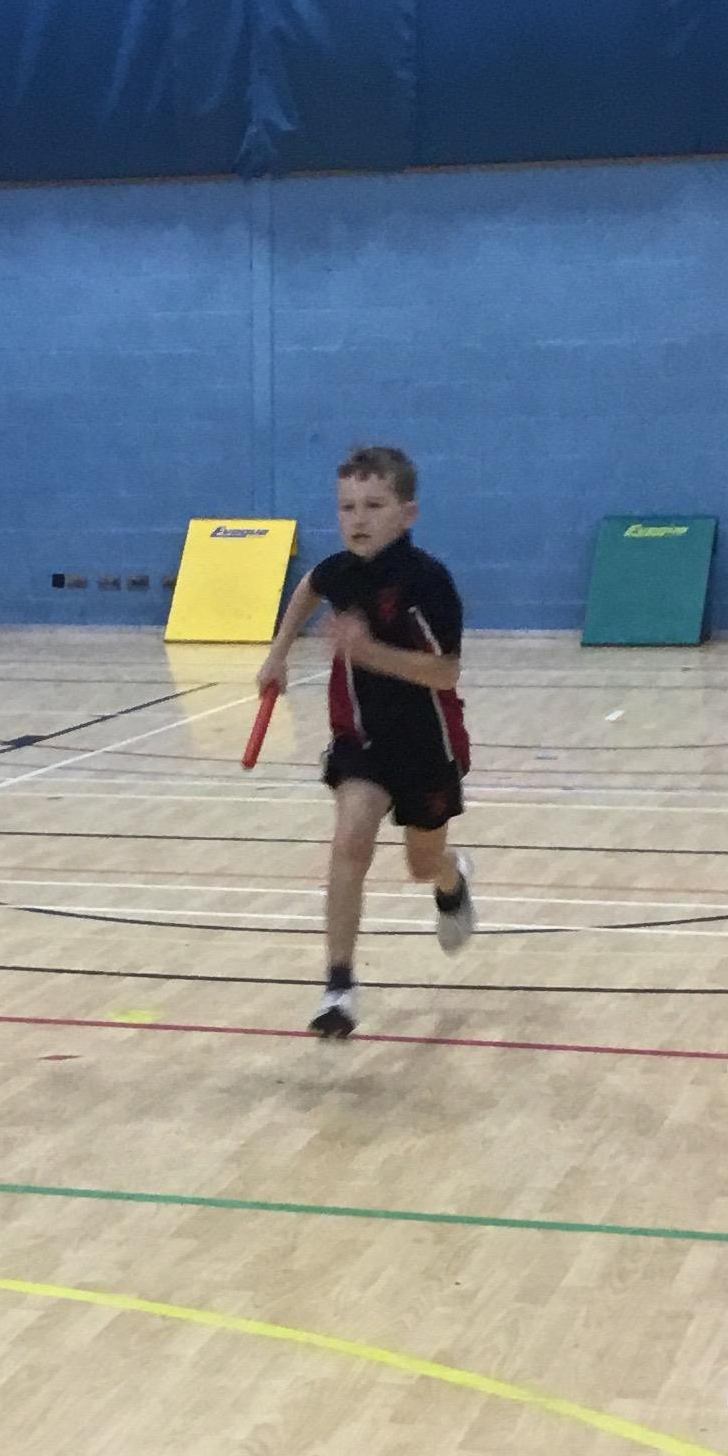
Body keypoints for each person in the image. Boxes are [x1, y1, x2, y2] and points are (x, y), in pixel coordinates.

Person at [254, 443, 478, 1040]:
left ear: (408, 514)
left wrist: (367, 651)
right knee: (350, 841)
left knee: (421, 864)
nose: (358, 519)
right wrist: (278, 654)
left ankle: (453, 879)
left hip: (428, 744)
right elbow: (308, 587)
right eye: (347, 507)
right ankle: (339, 988)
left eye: (374, 506)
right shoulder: (340, 571)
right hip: (360, 737)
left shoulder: (429, 582)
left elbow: (445, 673)